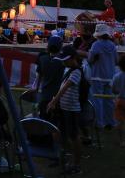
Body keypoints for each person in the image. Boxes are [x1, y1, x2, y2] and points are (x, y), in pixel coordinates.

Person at [47, 45, 82, 175]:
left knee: (74, 136)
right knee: (58, 133)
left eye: (66, 59)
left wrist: (53, 101)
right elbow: (62, 87)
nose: (64, 61)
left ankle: (76, 164)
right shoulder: (68, 69)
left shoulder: (77, 71)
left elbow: (65, 87)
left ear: (73, 58)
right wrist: (55, 101)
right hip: (63, 108)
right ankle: (65, 157)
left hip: (72, 110)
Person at [88, 23, 117, 130]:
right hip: (110, 76)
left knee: (98, 100)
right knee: (109, 100)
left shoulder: (96, 45)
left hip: (97, 76)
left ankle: (99, 123)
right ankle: (111, 121)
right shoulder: (112, 45)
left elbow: (90, 60)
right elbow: (117, 60)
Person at [35, 36, 64, 123]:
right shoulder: (62, 61)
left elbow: (39, 75)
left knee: (44, 122)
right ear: (60, 47)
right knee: (56, 123)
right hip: (58, 97)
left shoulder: (42, 58)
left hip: (44, 95)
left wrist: (36, 88)